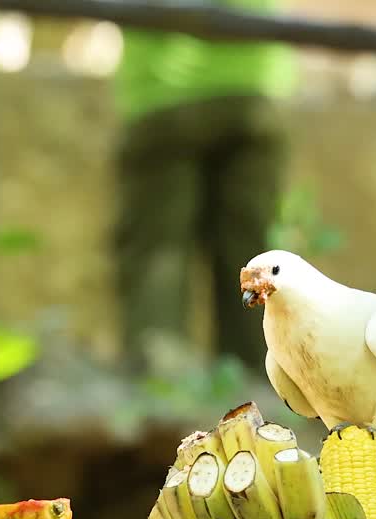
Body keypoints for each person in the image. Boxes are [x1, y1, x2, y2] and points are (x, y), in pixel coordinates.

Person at [112, 0, 297, 374]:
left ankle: (157, 391)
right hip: (251, 80)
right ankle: (265, 387)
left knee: (156, 254)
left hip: (162, 91)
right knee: (254, 259)